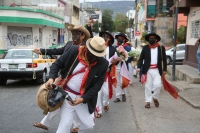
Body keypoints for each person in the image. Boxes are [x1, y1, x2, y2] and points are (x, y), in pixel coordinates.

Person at [33, 24, 90, 133]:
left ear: (83, 36)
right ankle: (46, 123)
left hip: (76, 80)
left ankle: (76, 126)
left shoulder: (85, 49)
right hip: (63, 78)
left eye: (77, 34)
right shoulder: (69, 44)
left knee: (72, 102)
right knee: (56, 99)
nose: (74, 36)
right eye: (73, 34)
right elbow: (57, 51)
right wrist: (41, 50)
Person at [45, 36, 108, 133]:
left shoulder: (103, 64)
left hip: (83, 98)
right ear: (87, 48)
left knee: (88, 125)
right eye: (91, 54)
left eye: (96, 56)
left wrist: (83, 98)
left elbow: (97, 86)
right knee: (65, 125)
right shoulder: (74, 51)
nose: (93, 58)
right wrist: (51, 78)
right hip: (66, 94)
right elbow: (57, 64)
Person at [136, 32, 167, 108]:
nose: (152, 39)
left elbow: (164, 60)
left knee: (158, 85)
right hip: (148, 70)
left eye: (153, 38)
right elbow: (141, 59)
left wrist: (164, 69)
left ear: (156, 40)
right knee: (148, 86)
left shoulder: (161, 48)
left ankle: (155, 97)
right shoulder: (145, 48)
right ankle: (148, 102)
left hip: (157, 70)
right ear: (148, 40)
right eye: (150, 38)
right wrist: (138, 68)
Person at [94, 31, 116, 118]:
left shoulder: (113, 49)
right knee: (98, 93)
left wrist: (116, 61)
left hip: (107, 74)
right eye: (103, 36)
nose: (104, 37)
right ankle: (98, 111)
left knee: (106, 93)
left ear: (109, 38)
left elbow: (116, 62)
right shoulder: (98, 47)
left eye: (106, 36)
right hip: (98, 73)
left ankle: (105, 103)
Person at [113, 32, 132, 103]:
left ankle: (123, 93)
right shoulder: (114, 47)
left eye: (121, 38)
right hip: (116, 67)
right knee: (117, 82)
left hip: (123, 66)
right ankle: (118, 96)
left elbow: (130, 57)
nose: (119, 39)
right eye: (118, 38)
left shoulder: (127, 47)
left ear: (124, 39)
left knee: (122, 81)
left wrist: (124, 59)